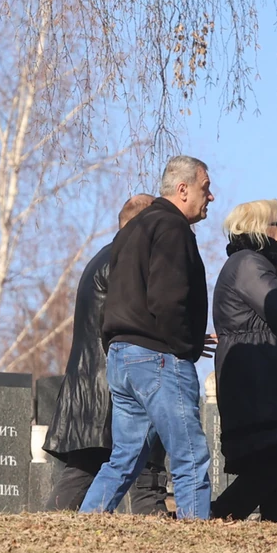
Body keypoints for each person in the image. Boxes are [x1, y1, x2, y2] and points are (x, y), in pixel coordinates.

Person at [79, 156, 216, 519]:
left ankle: (86, 524)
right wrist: (184, 345)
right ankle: (198, 539)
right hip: (158, 358)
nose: (211, 196)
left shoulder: (131, 231)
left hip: (122, 357)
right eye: (205, 188)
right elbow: (167, 300)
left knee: (124, 457)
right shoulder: (172, 227)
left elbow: (127, 297)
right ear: (183, 189)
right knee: (190, 455)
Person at [42, 194, 170, 514]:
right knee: (138, 472)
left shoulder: (104, 257)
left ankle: (47, 526)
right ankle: (45, 527)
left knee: (86, 470)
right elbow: (138, 321)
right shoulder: (124, 261)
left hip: (92, 385)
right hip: (110, 385)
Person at [209, 199, 277, 522]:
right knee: (271, 465)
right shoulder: (247, 264)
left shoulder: (266, 266)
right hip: (256, 385)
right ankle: (215, 520)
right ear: (262, 229)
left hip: (270, 386)